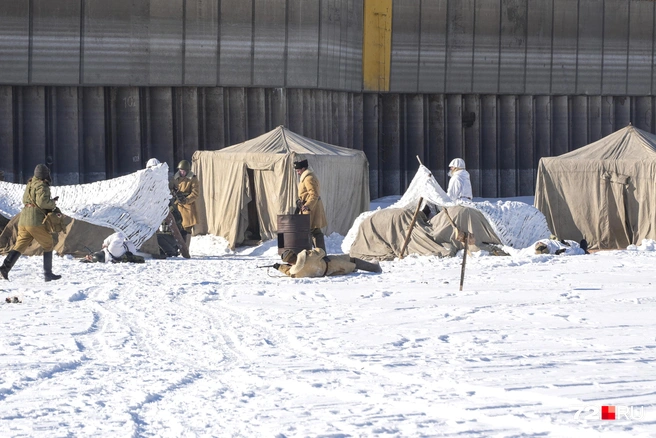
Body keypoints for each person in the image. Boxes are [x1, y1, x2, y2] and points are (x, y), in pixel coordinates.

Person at [1, 164, 62, 282]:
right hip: (35, 221)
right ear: (45, 174)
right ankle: (48, 274)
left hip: (23, 220)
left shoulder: (30, 184)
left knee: (20, 245)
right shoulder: (42, 186)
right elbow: (43, 203)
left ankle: (4, 269)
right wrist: (53, 203)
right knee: (48, 243)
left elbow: (26, 200)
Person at [274, 248, 382, 278]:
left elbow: (290, 272)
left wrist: (280, 267)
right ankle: (374, 267)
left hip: (330, 273)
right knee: (351, 260)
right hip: (332, 264)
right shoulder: (309, 256)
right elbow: (321, 252)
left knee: (349, 266)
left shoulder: (296, 273)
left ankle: (354, 268)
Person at [294, 159, 327, 252]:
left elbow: (314, 194)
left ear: (303, 168)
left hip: (311, 209)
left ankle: (319, 254)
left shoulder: (309, 178)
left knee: (313, 230)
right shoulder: (306, 177)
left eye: (298, 170)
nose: (298, 173)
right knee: (312, 230)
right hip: (307, 208)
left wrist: (308, 205)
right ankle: (318, 253)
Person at [172, 159, 200, 248]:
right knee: (176, 226)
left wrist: (186, 200)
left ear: (187, 171)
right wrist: (174, 193)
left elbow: (195, 193)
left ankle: (185, 248)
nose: (182, 172)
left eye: (184, 171)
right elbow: (170, 188)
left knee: (187, 228)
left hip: (188, 206)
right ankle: (176, 247)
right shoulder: (175, 178)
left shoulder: (193, 179)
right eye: (180, 170)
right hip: (177, 204)